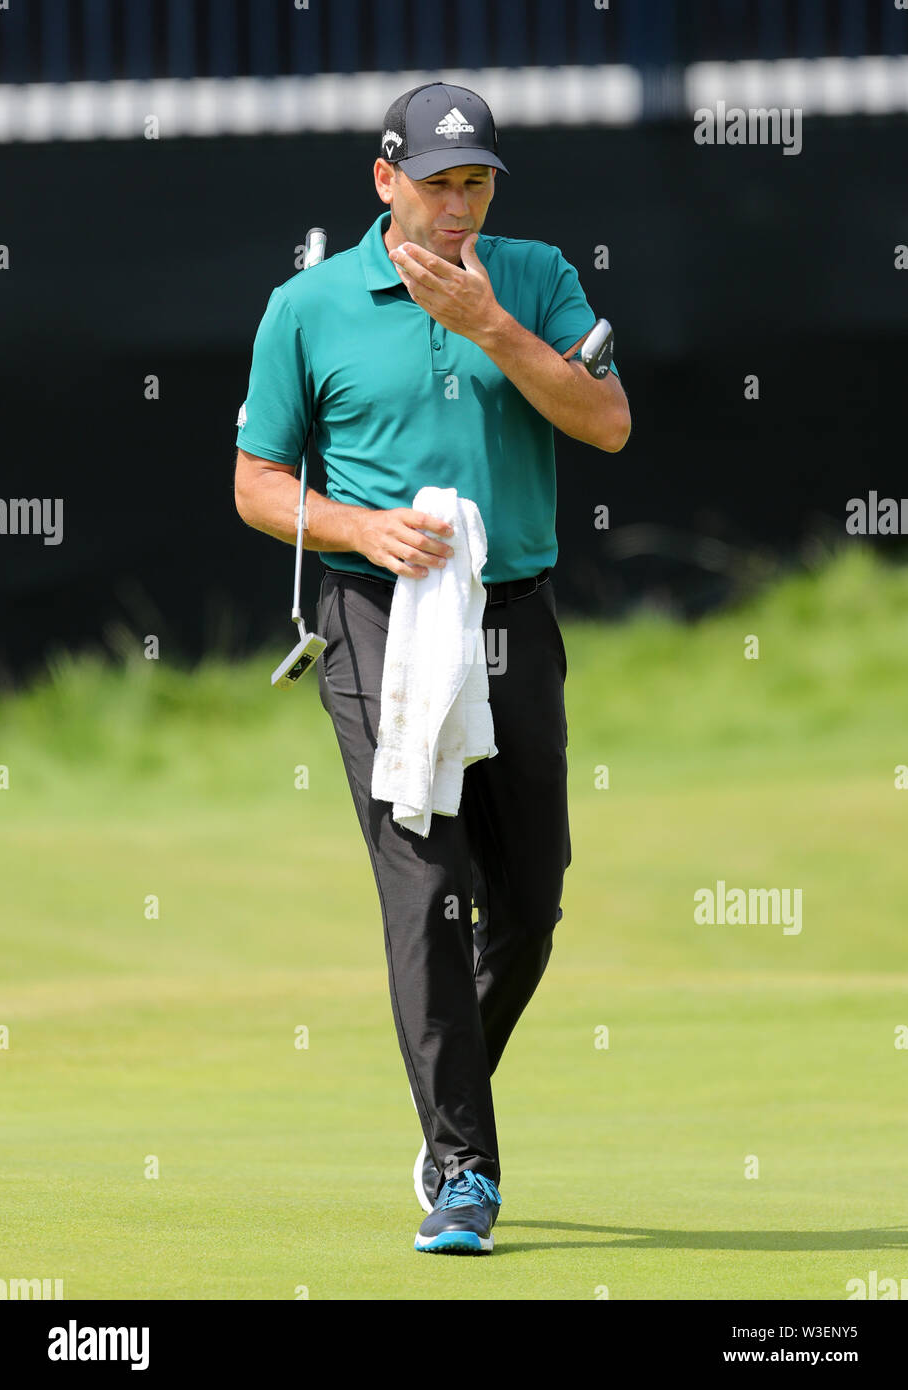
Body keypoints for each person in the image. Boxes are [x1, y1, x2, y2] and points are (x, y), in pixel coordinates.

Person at [234, 82, 631, 1255]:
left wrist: (493, 327)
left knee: (532, 897)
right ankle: (463, 1167)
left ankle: (442, 1083)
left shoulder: (538, 276)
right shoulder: (306, 306)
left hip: (512, 608)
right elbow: (257, 486)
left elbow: (605, 421)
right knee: (426, 878)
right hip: (376, 614)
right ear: (384, 180)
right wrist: (361, 530)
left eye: (478, 183)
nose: (460, 206)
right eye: (438, 182)